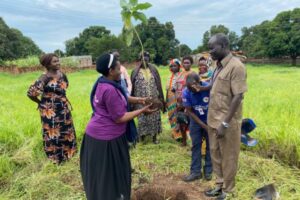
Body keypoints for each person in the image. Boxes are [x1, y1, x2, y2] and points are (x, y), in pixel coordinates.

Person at [80, 53, 156, 200]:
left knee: (106, 175)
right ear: (110, 71)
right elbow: (120, 118)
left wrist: (141, 99)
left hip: (98, 136)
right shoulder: (109, 89)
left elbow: (122, 96)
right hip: (106, 141)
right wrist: (142, 110)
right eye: (118, 67)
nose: (121, 70)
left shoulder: (104, 82)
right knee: (110, 176)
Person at [204, 33, 247, 200]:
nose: (210, 52)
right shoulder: (218, 66)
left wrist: (225, 123)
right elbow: (215, 88)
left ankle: (228, 191)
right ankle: (219, 184)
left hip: (226, 122)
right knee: (215, 153)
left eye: (212, 48)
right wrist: (200, 88)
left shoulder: (237, 66)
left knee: (229, 156)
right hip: (212, 119)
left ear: (223, 46)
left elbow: (238, 96)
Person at [27, 53, 77, 164]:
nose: (58, 63)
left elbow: (65, 87)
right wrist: (40, 103)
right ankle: (56, 158)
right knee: (53, 134)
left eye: (58, 60)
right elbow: (31, 94)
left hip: (63, 109)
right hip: (50, 111)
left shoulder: (62, 75)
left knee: (67, 130)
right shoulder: (44, 78)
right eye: (54, 61)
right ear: (47, 64)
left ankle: (69, 153)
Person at [182, 72, 212, 182]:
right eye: (189, 88)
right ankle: (195, 172)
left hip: (211, 119)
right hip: (196, 121)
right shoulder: (186, 93)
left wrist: (203, 89)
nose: (191, 90)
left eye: (193, 88)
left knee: (210, 146)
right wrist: (204, 126)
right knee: (196, 145)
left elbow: (216, 84)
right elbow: (190, 112)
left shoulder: (207, 87)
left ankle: (208, 171)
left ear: (199, 83)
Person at [131, 51, 165, 144]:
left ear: (149, 59)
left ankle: (154, 137)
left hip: (153, 98)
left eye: (146, 58)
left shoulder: (153, 69)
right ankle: (142, 136)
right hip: (140, 99)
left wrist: (160, 98)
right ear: (139, 59)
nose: (144, 60)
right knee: (142, 117)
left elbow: (158, 84)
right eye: (142, 58)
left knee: (154, 116)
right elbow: (132, 85)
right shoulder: (135, 71)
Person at [165, 59, 186, 144]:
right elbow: (167, 90)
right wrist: (166, 101)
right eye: (171, 66)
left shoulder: (181, 75)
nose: (173, 67)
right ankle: (175, 134)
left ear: (179, 66)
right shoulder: (170, 76)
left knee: (178, 116)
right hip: (170, 100)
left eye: (175, 66)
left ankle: (180, 135)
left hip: (178, 99)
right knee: (171, 116)